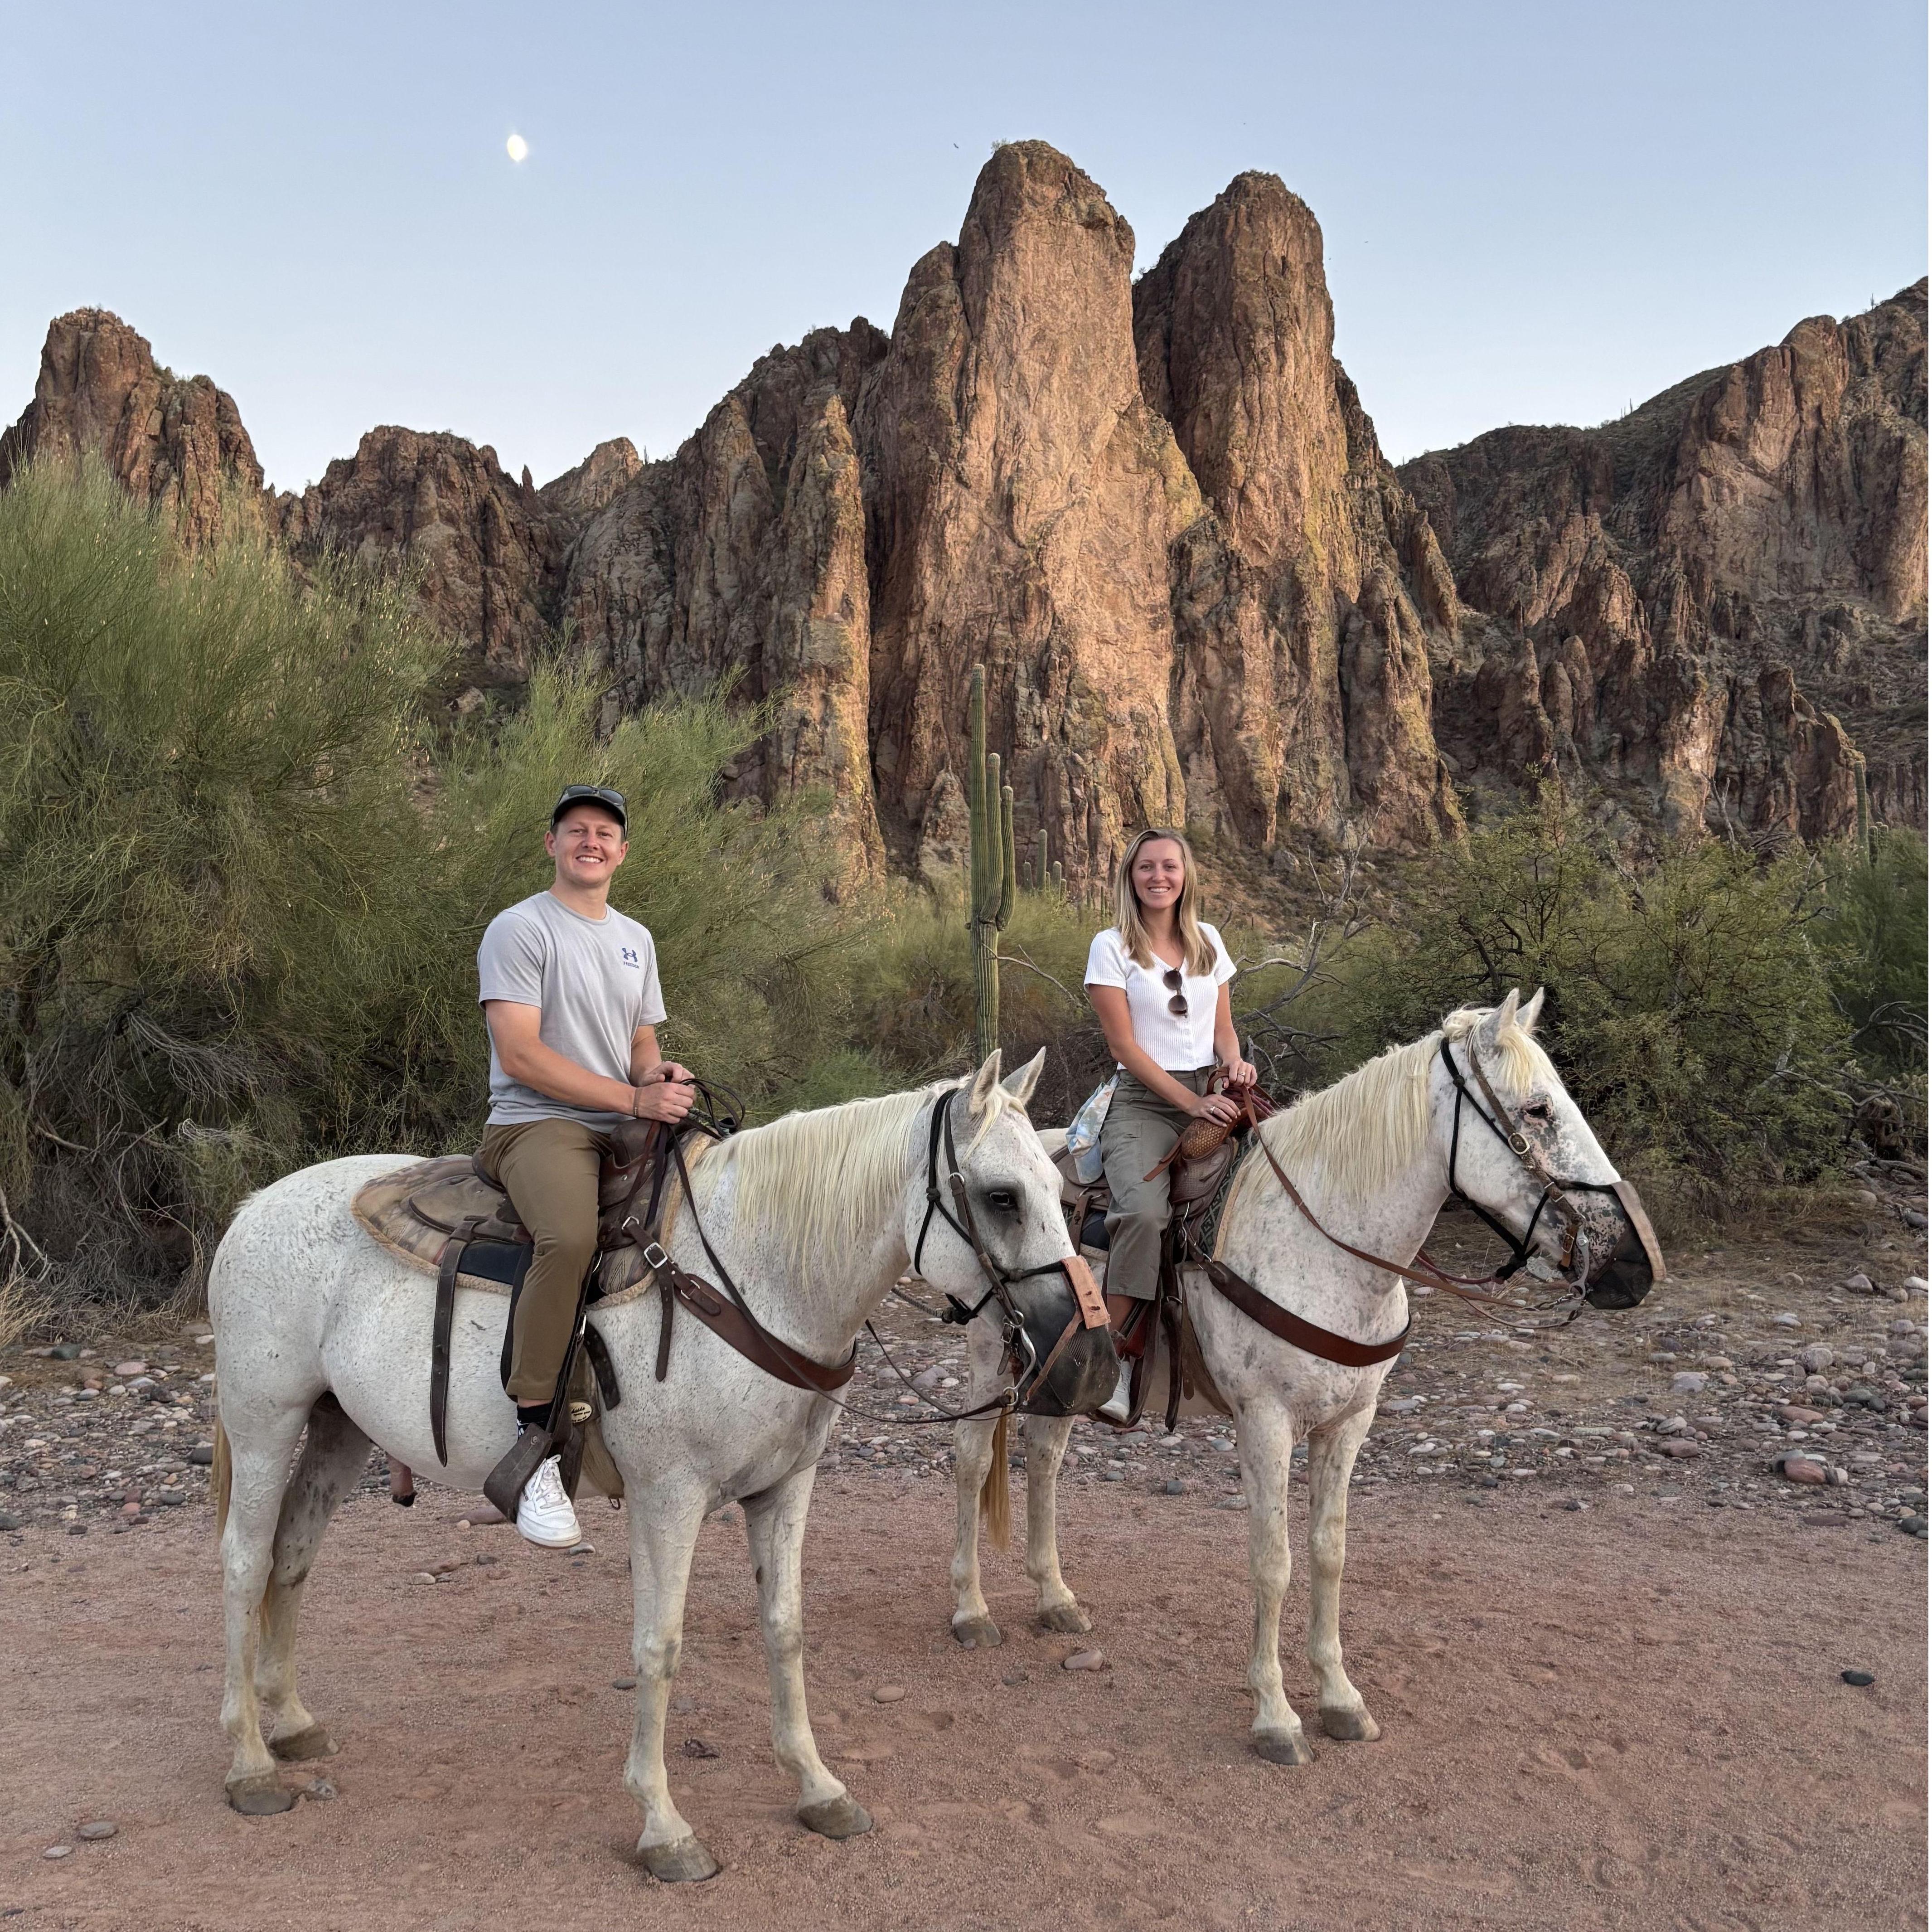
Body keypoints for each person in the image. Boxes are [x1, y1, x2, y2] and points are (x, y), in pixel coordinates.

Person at [477, 783, 695, 1548]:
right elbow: (522, 1054)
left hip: (618, 1118)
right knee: (568, 1240)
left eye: (605, 833)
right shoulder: (521, 928)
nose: (591, 842)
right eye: (577, 830)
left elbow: (640, 1047)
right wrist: (631, 1104)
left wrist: (659, 1085)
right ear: (552, 844)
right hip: (538, 1124)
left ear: (622, 851)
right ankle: (534, 1442)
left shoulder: (637, 937)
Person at [1083, 827, 1256, 1421]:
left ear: (1187, 876)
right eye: (1146, 867)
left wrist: (1233, 1061)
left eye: (1169, 867)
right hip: (1144, 1103)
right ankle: (1115, 1357)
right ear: (1130, 877)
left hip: (1211, 1089)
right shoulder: (1111, 947)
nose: (1158, 876)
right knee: (1144, 1213)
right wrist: (1189, 1103)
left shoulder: (1209, 941)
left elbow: (1223, 1027)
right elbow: (1126, 1047)